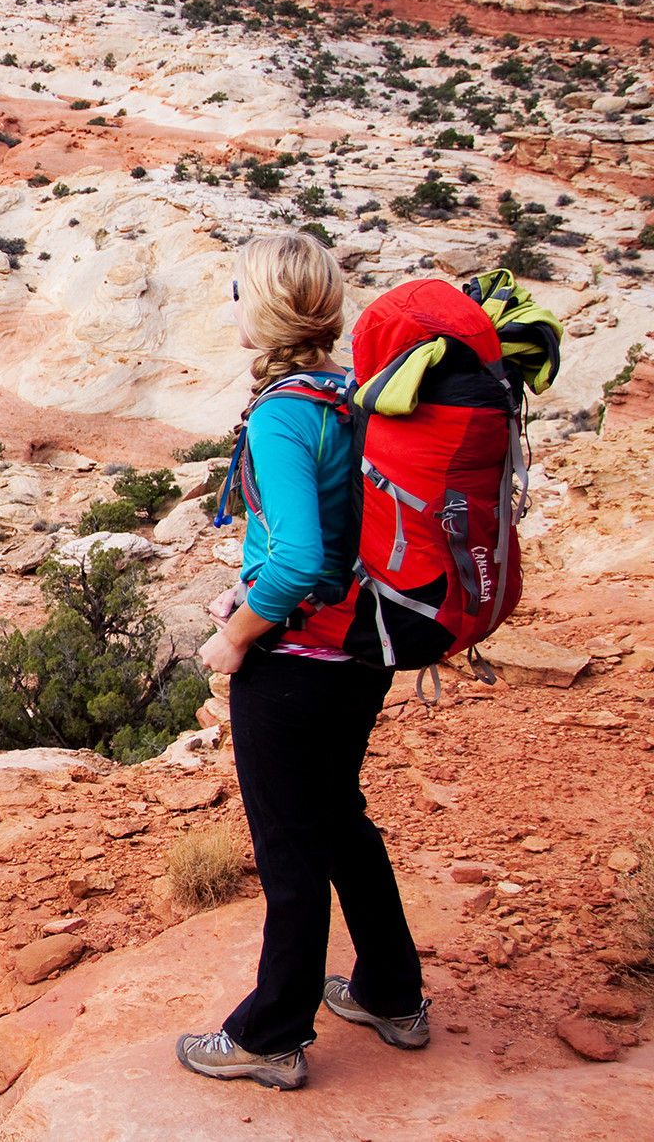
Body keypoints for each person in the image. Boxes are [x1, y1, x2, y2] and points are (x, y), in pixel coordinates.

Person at [175, 233, 430, 1091]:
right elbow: (333, 542)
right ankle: (393, 994)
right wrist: (250, 592)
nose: (233, 307)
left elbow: (298, 562)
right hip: (362, 649)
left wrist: (239, 631)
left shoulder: (286, 410)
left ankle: (270, 1035)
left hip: (296, 664)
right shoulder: (354, 392)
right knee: (339, 819)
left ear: (271, 306)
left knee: (290, 848)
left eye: (240, 291)